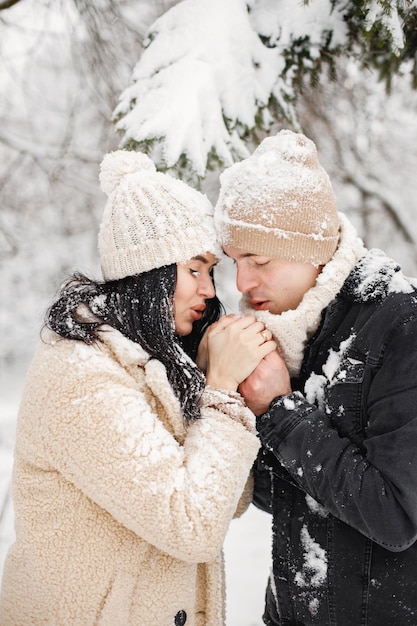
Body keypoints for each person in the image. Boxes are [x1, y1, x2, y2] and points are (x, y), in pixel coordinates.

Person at [0, 150, 277, 626]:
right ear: (149, 273)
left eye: (210, 271)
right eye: (194, 269)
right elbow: (192, 523)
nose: (210, 290)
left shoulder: (148, 364)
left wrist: (209, 382)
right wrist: (221, 391)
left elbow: (230, 498)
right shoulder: (81, 376)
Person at [214, 129, 417, 626]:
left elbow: (397, 515)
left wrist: (280, 413)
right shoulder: (296, 325)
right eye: (236, 262)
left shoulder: (400, 323)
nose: (242, 282)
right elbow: (287, 496)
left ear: (313, 249)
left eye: (259, 261)